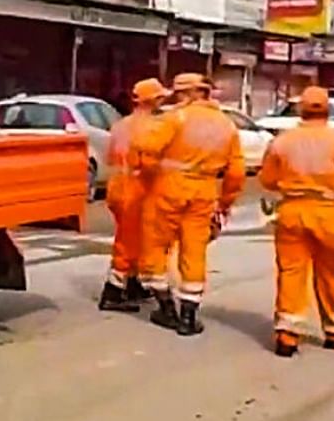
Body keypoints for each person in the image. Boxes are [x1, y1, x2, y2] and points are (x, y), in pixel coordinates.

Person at [257, 86, 334, 357]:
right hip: (331, 214)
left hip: (293, 213)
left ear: (300, 110)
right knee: (333, 274)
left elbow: (268, 180)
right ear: (328, 110)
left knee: (291, 273)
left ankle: (287, 335)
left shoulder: (282, 142)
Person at [135, 73, 246, 336]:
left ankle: (166, 307)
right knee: (194, 251)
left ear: (186, 94)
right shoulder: (227, 125)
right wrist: (226, 202)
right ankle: (189, 315)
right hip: (204, 192)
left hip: (168, 188)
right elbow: (237, 173)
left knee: (156, 247)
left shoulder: (176, 118)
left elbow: (144, 146)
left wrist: (150, 170)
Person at [99, 77, 169, 312]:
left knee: (131, 238)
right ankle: (113, 291)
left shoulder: (121, 124)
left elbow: (110, 157)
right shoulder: (153, 127)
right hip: (136, 189)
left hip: (117, 186)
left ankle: (132, 283)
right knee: (128, 243)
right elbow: (151, 164)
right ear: (154, 100)